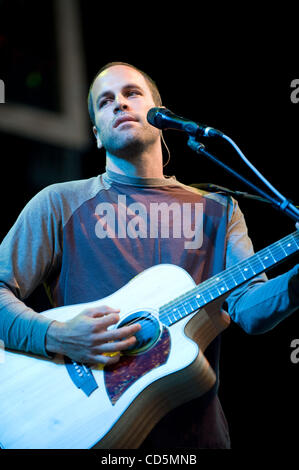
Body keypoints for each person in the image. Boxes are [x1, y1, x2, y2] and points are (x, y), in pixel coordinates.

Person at [0, 61, 298, 449]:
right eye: (105, 102)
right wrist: (57, 336)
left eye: (131, 93)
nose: (119, 104)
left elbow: (249, 311)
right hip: (88, 430)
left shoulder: (219, 209)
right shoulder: (60, 203)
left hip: (196, 438)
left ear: (161, 116)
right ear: (96, 134)